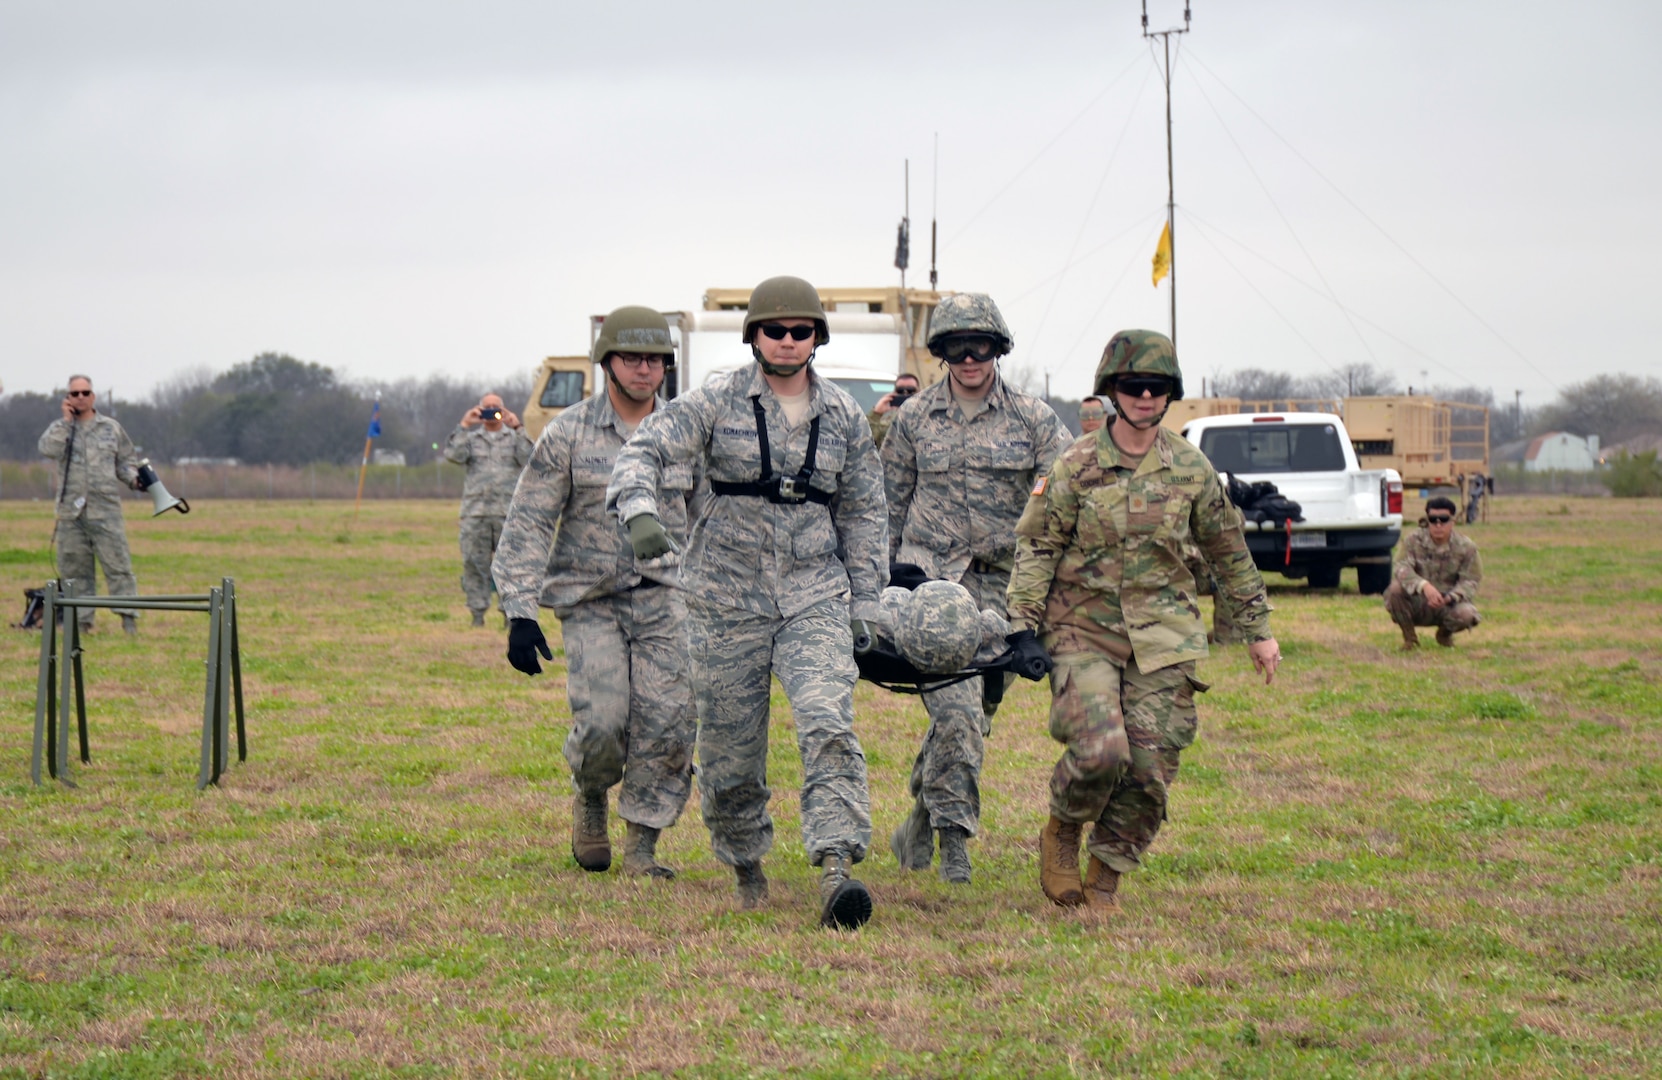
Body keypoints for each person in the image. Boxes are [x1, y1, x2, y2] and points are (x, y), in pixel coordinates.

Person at [607, 275, 888, 930]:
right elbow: (644, 449)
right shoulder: (715, 402)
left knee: (827, 720)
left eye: (801, 331)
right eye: (775, 330)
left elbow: (866, 514)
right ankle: (746, 866)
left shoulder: (844, 417)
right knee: (732, 753)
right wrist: (640, 510)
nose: (788, 342)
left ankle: (836, 866)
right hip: (725, 596)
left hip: (815, 593)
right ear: (754, 337)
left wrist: (868, 602)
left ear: (817, 338)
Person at [1007, 330, 1281, 914]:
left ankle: (1106, 873)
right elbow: (1038, 547)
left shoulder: (1190, 467)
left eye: (1156, 388)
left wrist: (1258, 629)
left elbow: (1228, 548)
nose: (1144, 397)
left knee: (1150, 765)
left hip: (1164, 633)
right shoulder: (1076, 466)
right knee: (1103, 749)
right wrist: (1021, 627)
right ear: (1112, 391)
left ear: (1169, 395)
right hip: (1084, 628)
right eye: (1132, 386)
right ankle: (1062, 828)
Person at [494, 307, 699, 880]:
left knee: (669, 724)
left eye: (654, 359)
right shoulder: (569, 432)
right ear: (607, 362)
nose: (643, 369)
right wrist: (518, 611)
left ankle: (642, 849)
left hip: (666, 597)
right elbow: (530, 521)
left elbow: (713, 518)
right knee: (605, 721)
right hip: (592, 600)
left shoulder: (686, 434)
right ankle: (591, 793)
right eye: (631, 358)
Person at [880, 292, 1071, 884]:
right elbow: (885, 504)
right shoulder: (912, 420)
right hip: (930, 589)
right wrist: (880, 580)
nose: (969, 358)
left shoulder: (1034, 421)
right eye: (956, 347)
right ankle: (954, 844)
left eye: (980, 346)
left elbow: (1065, 499)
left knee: (975, 715)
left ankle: (919, 815)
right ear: (941, 353)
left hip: (1004, 593)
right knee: (958, 712)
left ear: (998, 349)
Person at [37, 375, 146, 635]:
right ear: (68, 398)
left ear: (93, 396)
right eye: (75, 394)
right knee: (75, 570)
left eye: (85, 392)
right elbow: (47, 449)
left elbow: (126, 461)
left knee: (118, 566)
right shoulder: (60, 429)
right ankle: (82, 624)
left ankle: (128, 621)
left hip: (105, 510)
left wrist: (135, 480)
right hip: (71, 514)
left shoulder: (111, 428)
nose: (81, 397)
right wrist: (65, 422)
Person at [444, 392, 533, 626]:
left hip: (507, 514)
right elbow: (453, 455)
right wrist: (464, 425)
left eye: (496, 408)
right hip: (476, 514)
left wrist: (518, 427)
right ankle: (477, 615)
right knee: (474, 564)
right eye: (487, 407)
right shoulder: (471, 440)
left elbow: (531, 458)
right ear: (479, 410)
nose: (491, 411)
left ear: (504, 411)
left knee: (510, 567)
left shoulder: (514, 438)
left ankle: (509, 616)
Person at [1384, 495, 1482, 649]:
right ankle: (1410, 639)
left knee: (1467, 614)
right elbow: (1401, 568)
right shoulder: (1413, 541)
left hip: (1448, 604)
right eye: (1433, 519)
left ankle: (1444, 634)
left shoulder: (1466, 547)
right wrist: (1424, 586)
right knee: (1394, 590)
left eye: (1443, 519)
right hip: (1418, 601)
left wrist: (1450, 597)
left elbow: (1471, 580)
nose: (1438, 525)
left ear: (1452, 522)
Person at [867, 372, 921, 448]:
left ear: (919, 392)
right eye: (900, 391)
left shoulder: (930, 416)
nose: (905, 394)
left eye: (910, 390)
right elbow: (865, 442)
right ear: (894, 392)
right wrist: (876, 413)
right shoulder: (885, 421)